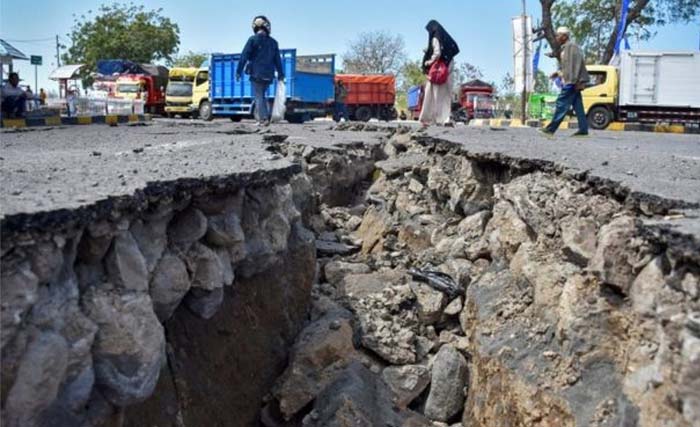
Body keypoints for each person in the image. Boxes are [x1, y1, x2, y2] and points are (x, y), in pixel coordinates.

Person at [540, 27, 590, 137]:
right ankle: (583, 130)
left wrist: (574, 81)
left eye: (558, 35)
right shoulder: (566, 48)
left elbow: (575, 65)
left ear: (564, 36)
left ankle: (550, 129)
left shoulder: (571, 47)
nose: (557, 37)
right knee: (578, 106)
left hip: (572, 81)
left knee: (561, 103)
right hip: (572, 80)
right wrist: (558, 73)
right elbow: (567, 66)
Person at [236, 15, 285, 125]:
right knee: (262, 95)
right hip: (269, 75)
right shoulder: (274, 42)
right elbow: (277, 60)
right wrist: (281, 74)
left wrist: (238, 71)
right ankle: (263, 117)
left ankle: (263, 119)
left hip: (256, 74)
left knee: (259, 96)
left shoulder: (252, 40)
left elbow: (244, 56)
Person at [419, 20, 460, 126]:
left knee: (432, 94)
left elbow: (437, 53)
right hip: (447, 69)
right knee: (446, 95)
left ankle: (429, 118)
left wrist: (429, 62)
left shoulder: (435, 38)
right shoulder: (445, 39)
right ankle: (444, 118)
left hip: (437, 72)